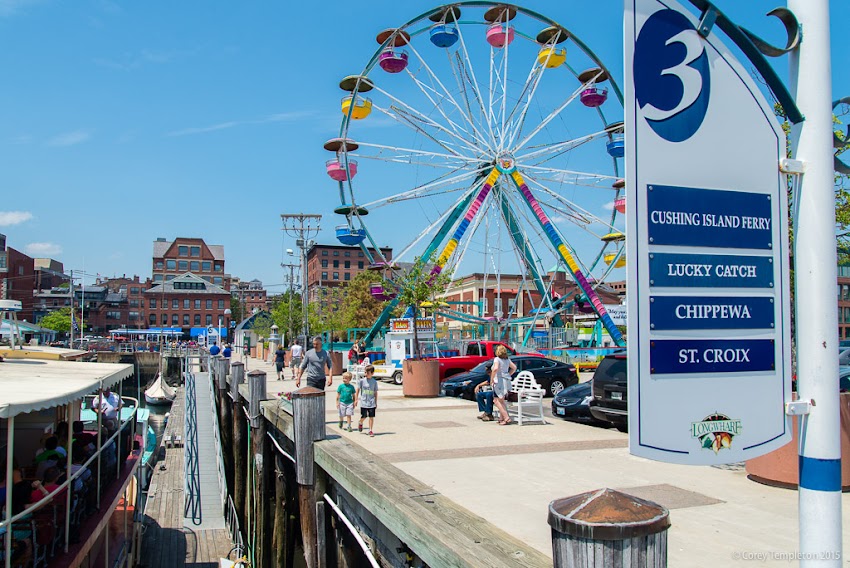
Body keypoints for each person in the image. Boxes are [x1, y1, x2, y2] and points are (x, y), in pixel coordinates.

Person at [490, 345, 516, 426]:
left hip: (499, 381)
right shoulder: (507, 360)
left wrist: (492, 378)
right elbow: (514, 367)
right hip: (506, 381)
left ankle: (506, 417)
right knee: (502, 400)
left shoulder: (497, 359)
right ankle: (502, 419)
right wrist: (508, 374)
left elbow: (495, 369)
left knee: (496, 400)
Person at [356, 365, 379, 437]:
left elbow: (375, 392)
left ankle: (370, 430)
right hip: (364, 402)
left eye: (368, 373)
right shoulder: (362, 381)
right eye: (365, 372)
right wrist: (356, 399)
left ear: (372, 373)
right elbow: (358, 390)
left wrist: (376, 402)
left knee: (371, 417)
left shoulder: (374, 382)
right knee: (364, 415)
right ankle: (360, 422)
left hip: (371, 402)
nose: (366, 374)